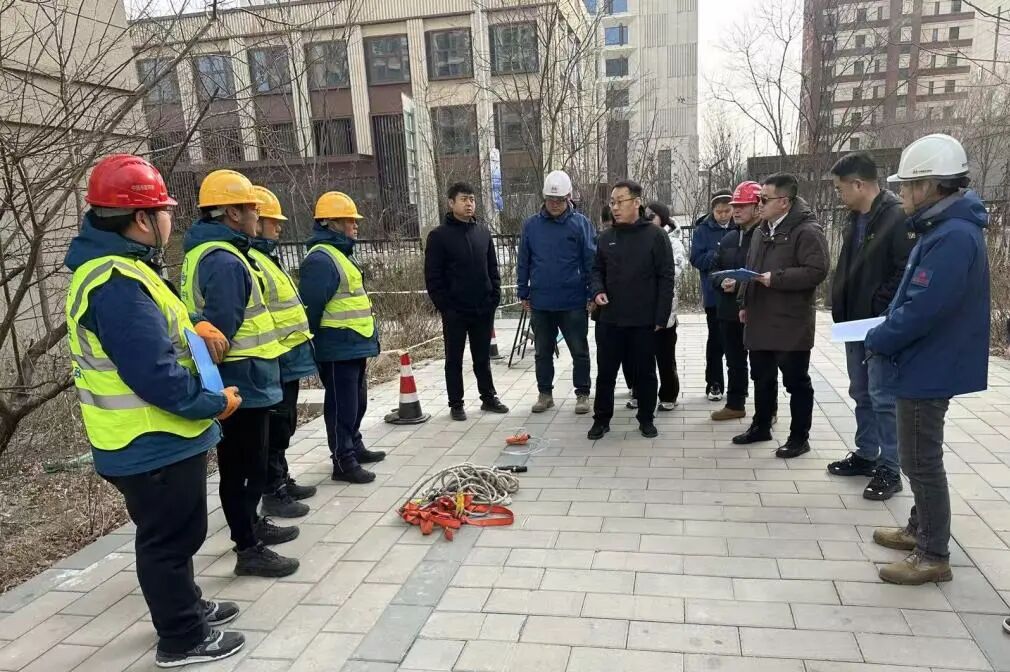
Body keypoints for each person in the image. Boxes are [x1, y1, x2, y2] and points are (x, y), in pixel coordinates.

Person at [66, 155, 245, 667]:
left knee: (177, 534)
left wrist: (194, 323)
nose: (170, 218)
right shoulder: (116, 284)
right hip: (149, 441)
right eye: (164, 210)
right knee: (168, 540)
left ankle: (187, 606)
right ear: (142, 219)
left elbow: (157, 331)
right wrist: (214, 404)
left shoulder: (124, 269)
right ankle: (182, 637)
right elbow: (155, 373)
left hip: (152, 439)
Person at [866, 133, 990, 585]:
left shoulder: (953, 236)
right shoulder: (941, 228)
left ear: (930, 186)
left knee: (920, 460)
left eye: (907, 186)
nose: (902, 194)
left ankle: (933, 553)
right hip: (924, 359)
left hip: (929, 364)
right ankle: (920, 528)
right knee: (919, 455)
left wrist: (880, 337)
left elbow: (924, 308)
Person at [181, 170, 300, 579]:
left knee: (242, 465)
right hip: (243, 379)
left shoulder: (208, 253)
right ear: (233, 213)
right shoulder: (224, 261)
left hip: (244, 377)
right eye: (252, 209)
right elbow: (222, 331)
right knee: (245, 468)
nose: (257, 216)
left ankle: (250, 527)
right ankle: (248, 547)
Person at [826, 153, 916, 501]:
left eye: (840, 188)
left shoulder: (895, 216)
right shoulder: (855, 218)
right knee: (860, 391)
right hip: (853, 322)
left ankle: (890, 468)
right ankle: (867, 454)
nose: (838, 195)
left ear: (858, 184)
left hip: (878, 323)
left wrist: (879, 305)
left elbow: (904, 270)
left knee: (882, 397)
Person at [735, 173, 829, 458]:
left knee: (795, 381)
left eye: (764, 199)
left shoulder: (807, 231)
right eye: (758, 199)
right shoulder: (761, 230)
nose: (759, 204)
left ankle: (799, 437)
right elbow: (751, 266)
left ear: (784, 202)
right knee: (761, 377)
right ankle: (761, 426)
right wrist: (743, 302)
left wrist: (775, 278)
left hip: (791, 321)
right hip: (759, 315)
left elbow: (817, 271)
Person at [299, 192, 387, 484]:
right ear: (332, 223)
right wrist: (315, 346)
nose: (355, 225)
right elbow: (312, 308)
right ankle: (343, 460)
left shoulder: (340, 254)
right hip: (337, 348)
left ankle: (354, 445)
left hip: (353, 344)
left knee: (356, 402)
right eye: (350, 220)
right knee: (341, 406)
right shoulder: (321, 259)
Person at [247, 186, 318, 518]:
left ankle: (281, 480)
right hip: (274, 359)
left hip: (287, 358)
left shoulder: (265, 258)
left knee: (284, 424)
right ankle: (272, 491)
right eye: (273, 221)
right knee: (275, 428)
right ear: (257, 221)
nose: (278, 227)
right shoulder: (253, 261)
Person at [588, 180, 674, 440]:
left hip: (643, 319)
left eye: (620, 202)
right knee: (606, 373)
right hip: (610, 318)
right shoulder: (606, 237)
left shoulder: (656, 236)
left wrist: (661, 316)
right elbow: (596, 270)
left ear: (636, 203)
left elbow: (666, 277)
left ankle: (646, 419)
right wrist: (597, 291)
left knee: (645, 373)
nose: (614, 208)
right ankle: (601, 420)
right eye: (612, 202)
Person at [424, 182, 509, 421]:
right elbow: (433, 277)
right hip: (455, 311)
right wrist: (446, 307)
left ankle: (488, 397)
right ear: (451, 203)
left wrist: (494, 296)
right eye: (463, 199)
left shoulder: (482, 232)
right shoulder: (439, 236)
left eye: (472, 199)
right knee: (454, 359)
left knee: (482, 357)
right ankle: (456, 403)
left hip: (483, 307)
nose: (469, 204)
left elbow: (492, 268)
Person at [517, 170, 596, 415]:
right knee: (542, 352)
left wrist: (592, 293)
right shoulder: (531, 226)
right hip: (541, 302)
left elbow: (591, 261)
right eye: (550, 200)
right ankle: (545, 394)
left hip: (573, 301)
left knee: (579, 351)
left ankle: (582, 393)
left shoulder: (580, 224)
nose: (554, 204)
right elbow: (524, 260)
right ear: (544, 198)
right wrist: (523, 291)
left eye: (559, 200)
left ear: (569, 197)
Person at [710, 181, 762, 422]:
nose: (736, 210)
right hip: (728, 309)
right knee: (734, 360)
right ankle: (735, 403)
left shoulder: (766, 237)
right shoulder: (729, 238)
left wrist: (741, 286)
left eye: (743, 206)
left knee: (762, 364)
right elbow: (714, 272)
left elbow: (768, 275)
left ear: (757, 206)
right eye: (735, 205)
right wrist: (722, 282)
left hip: (757, 309)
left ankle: (767, 409)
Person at [629, 201, 685, 411]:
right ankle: (639, 393)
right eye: (645, 214)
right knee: (639, 355)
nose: (647, 218)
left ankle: (669, 395)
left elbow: (674, 273)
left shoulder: (674, 243)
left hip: (665, 311)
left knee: (665, 357)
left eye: (652, 215)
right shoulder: (638, 238)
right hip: (639, 309)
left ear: (663, 218)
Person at [690, 189, 735, 401]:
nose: (723, 215)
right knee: (716, 341)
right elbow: (695, 259)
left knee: (736, 344)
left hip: (738, 294)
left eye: (727, 211)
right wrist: (717, 253)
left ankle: (737, 387)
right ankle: (714, 383)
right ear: (712, 211)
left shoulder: (740, 227)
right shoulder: (703, 229)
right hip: (714, 295)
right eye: (719, 211)